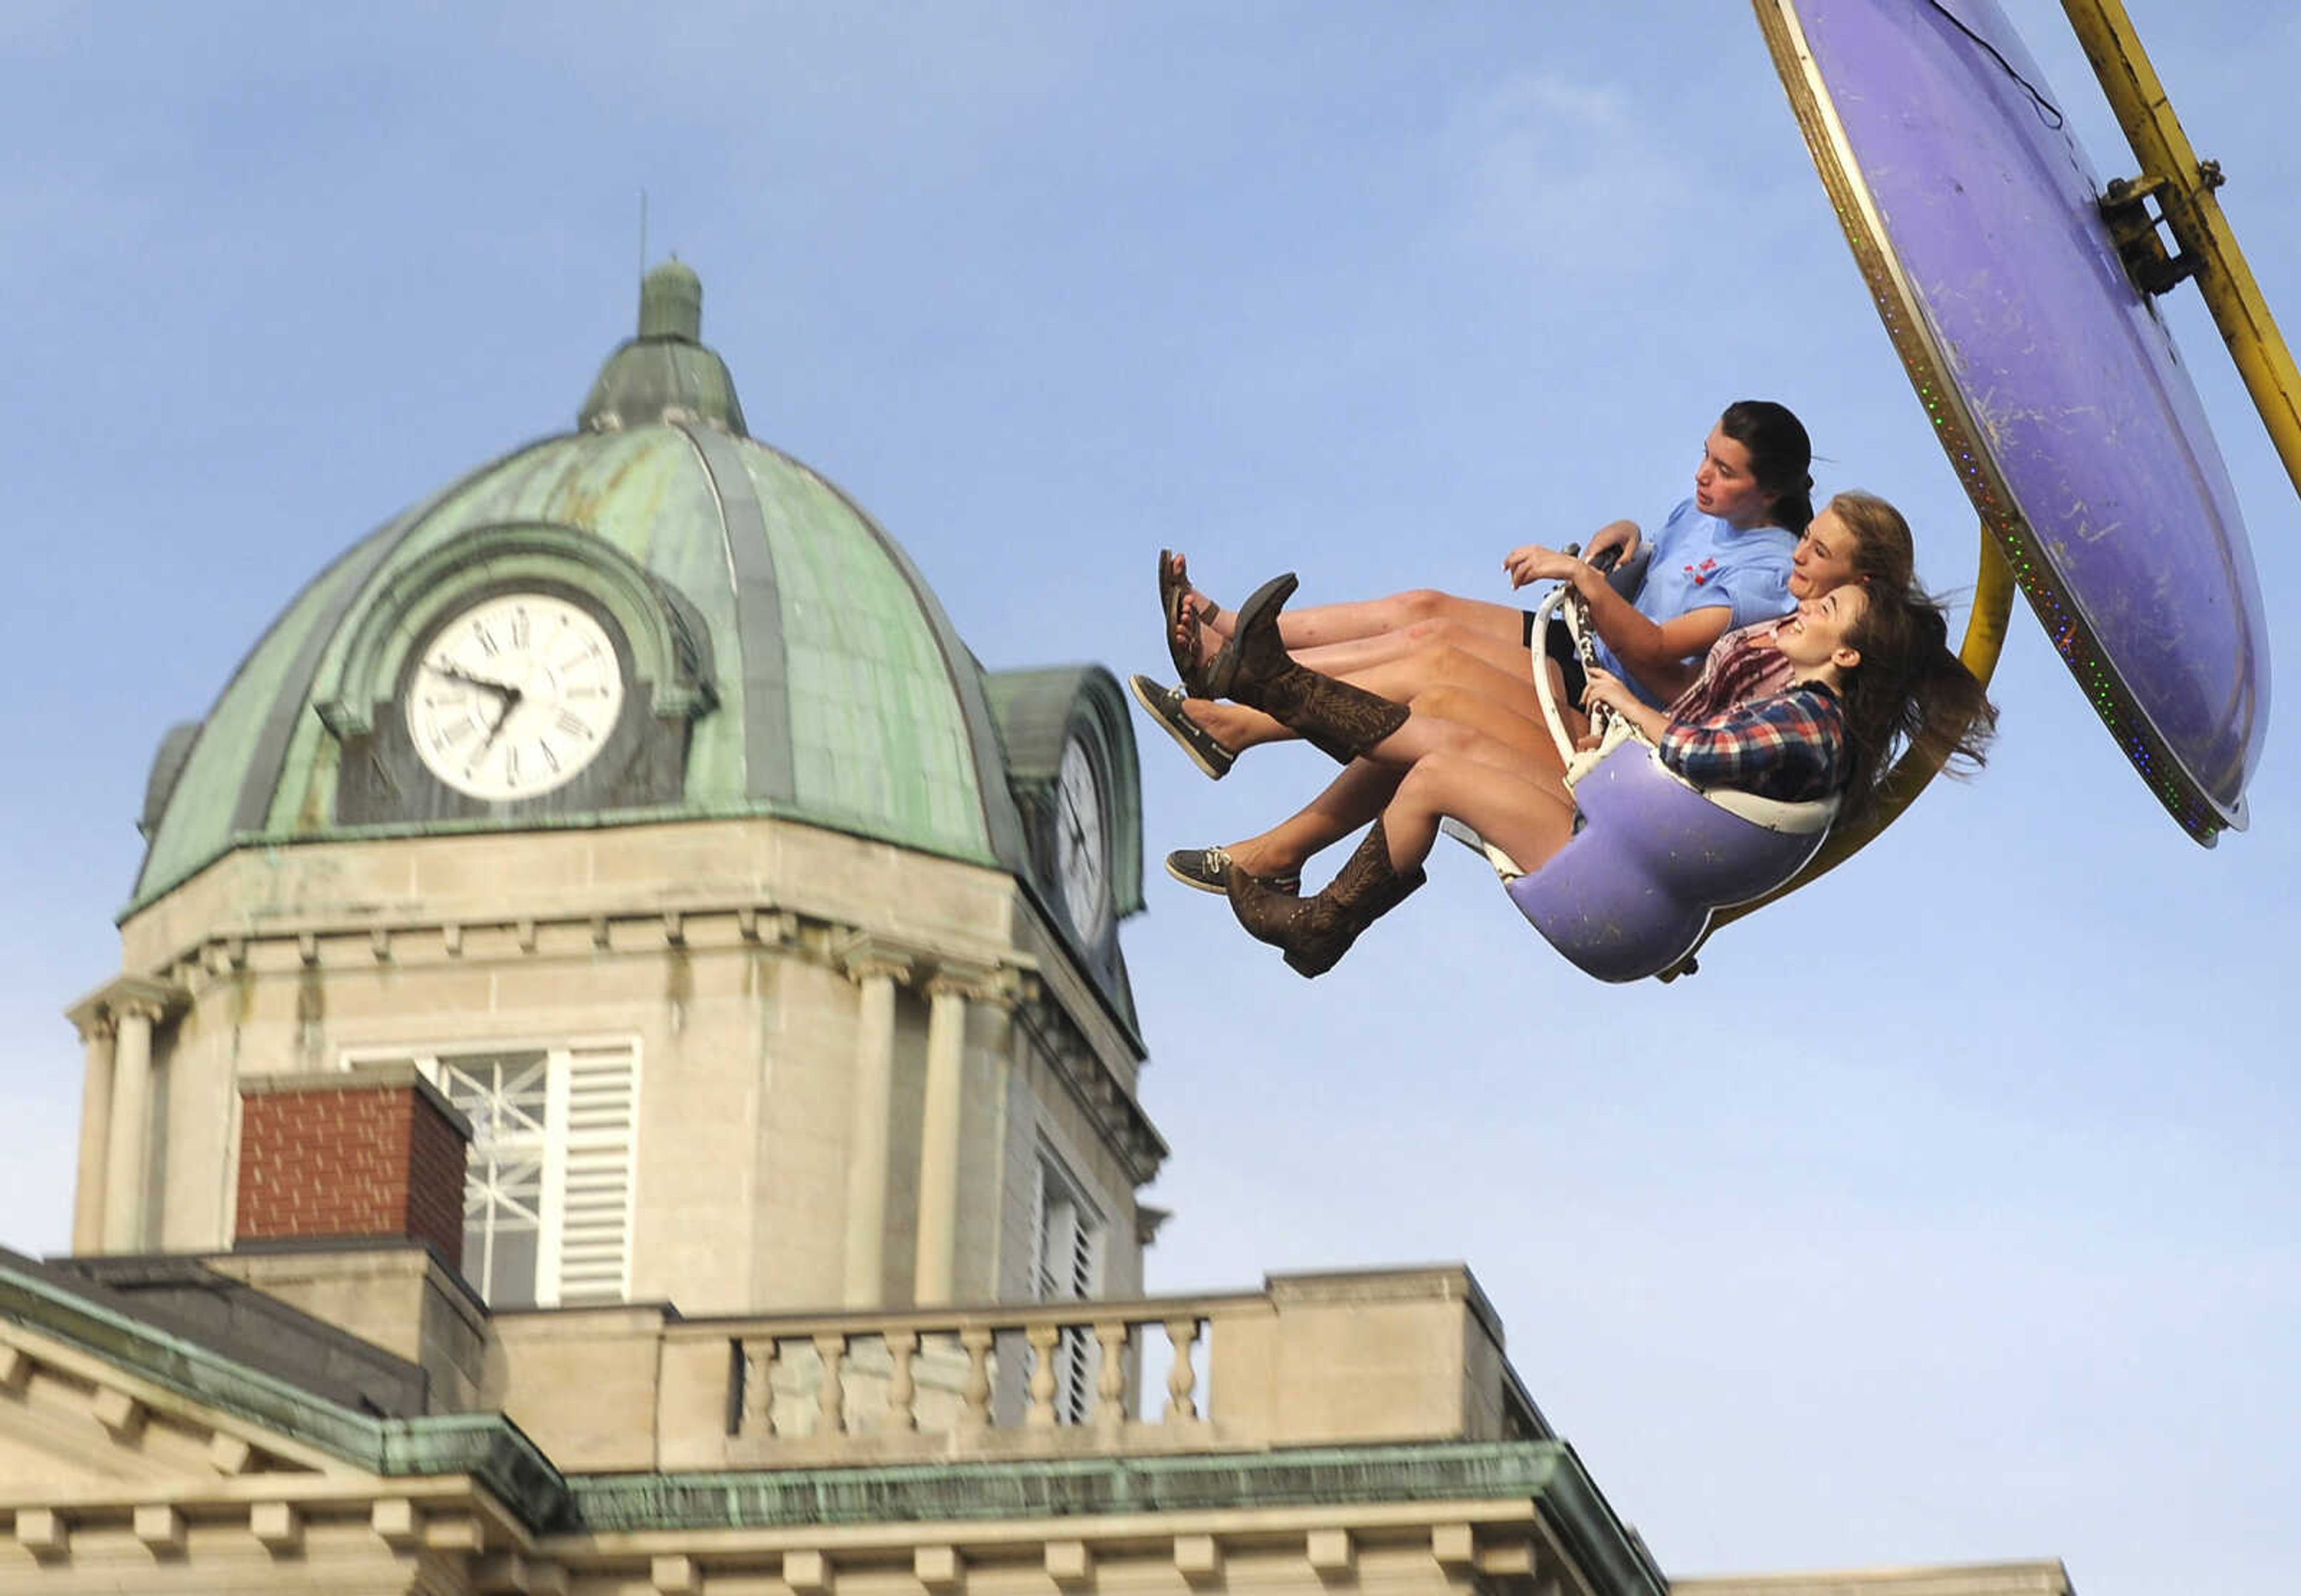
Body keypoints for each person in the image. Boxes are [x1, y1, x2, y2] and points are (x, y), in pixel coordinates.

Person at [1194, 537, 1995, 977]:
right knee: (1443, 746)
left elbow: (1693, 753)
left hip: (1620, 896)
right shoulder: (1796, 703)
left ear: (1847, 657)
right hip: (1611, 840)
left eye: (1825, 608)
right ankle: (1281, 707)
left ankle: (1282, 715)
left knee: (1439, 762)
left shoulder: (1813, 726)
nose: (1802, 607)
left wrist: (1630, 707)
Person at [1164, 491, 1917, 896]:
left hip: (1610, 729)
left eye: (1820, 557)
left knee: (1438, 680)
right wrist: (1628, 545)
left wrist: (1586, 590)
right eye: (1807, 541)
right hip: (1607, 713)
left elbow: (1672, 687)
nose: (1802, 560)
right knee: (1430, 639)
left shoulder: (1797, 652)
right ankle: (1239, 703)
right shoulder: (1800, 626)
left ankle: (1244, 700)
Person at [1136, 400, 1819, 779]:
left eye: (1723, 469)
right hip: (1581, 643)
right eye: (1704, 453)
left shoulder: (1769, 572)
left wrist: (1578, 574)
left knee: (1423, 652)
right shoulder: (1704, 509)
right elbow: (1656, 561)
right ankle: (1227, 630)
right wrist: (1627, 535)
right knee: (1423, 609)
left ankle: (1237, 693)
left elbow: (1658, 650)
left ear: (1771, 491)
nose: (1703, 475)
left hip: (1608, 696)